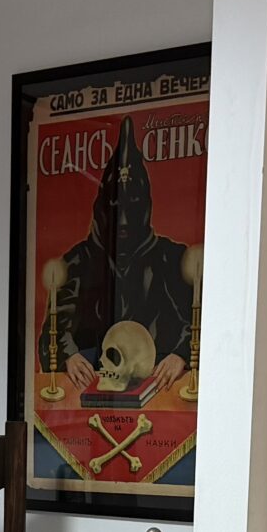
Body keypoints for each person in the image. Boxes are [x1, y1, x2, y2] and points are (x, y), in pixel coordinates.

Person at [46, 117, 196, 398]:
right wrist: (69, 354)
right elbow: (54, 331)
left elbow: (197, 324)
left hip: (158, 392)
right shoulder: (78, 261)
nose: (124, 220)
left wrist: (181, 354)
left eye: (132, 208)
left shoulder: (171, 259)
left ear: (144, 208)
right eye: (116, 208)